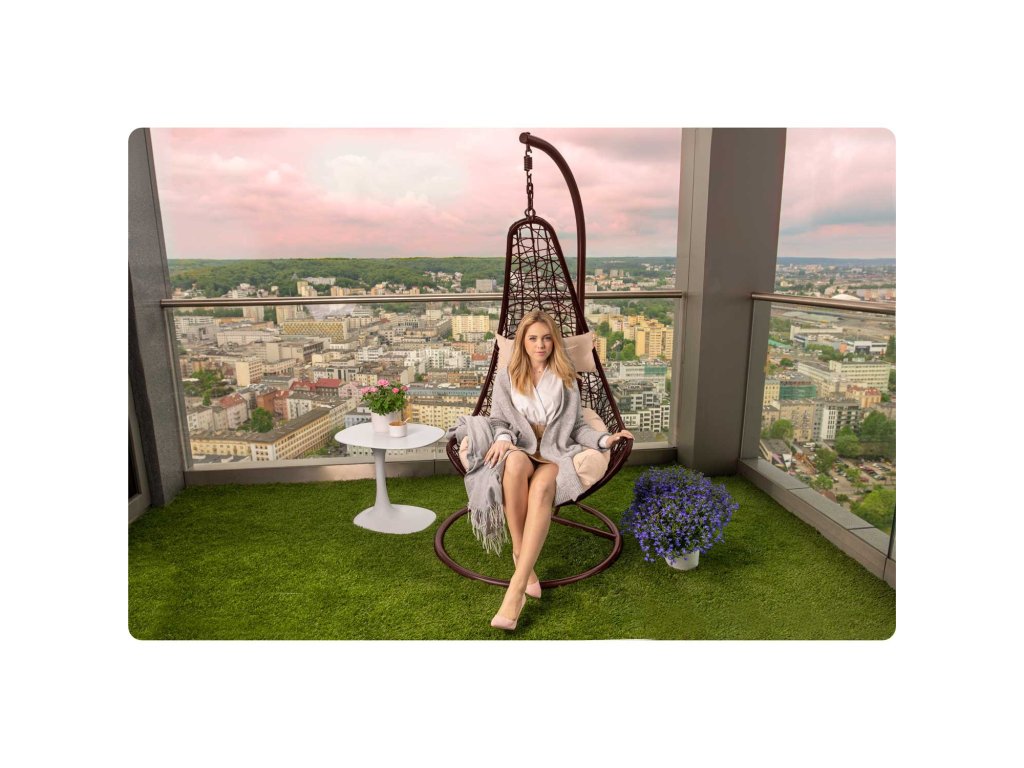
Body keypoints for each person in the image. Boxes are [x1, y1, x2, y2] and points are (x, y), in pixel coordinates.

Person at [485, 309, 633, 630]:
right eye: (533, 338)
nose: (540, 345)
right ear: (523, 342)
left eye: (547, 338)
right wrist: (502, 438)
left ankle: (515, 590)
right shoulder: (507, 375)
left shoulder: (566, 378)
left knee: (541, 489)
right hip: (522, 446)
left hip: (554, 451)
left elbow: (577, 426)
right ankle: (520, 553)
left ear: (554, 341)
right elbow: (497, 419)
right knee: (513, 463)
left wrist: (605, 439)